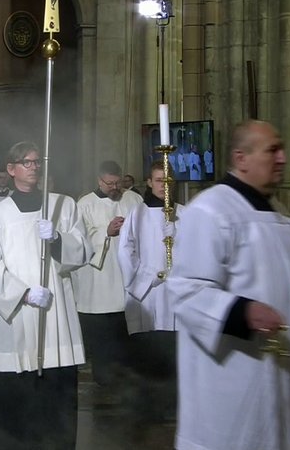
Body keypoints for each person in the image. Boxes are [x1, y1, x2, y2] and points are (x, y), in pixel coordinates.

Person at [167, 120, 290, 450]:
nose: (283, 158)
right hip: (238, 370)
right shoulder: (210, 209)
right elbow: (185, 290)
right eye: (273, 150)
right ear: (241, 158)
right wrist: (242, 310)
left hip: (286, 369)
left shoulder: (281, 213)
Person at [0, 141, 91, 450]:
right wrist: (24, 293)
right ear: (11, 170)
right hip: (16, 314)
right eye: (26, 162)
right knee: (14, 404)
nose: (33, 167)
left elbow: (83, 251)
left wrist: (57, 239)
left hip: (56, 315)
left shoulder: (63, 206)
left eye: (36, 162)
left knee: (56, 402)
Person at [116, 161, 181, 426]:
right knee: (147, 353)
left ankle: (171, 405)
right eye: (158, 180)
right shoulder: (136, 214)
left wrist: (180, 235)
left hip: (175, 295)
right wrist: (145, 278)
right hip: (147, 293)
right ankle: (147, 407)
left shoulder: (185, 215)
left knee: (173, 354)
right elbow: (124, 250)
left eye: (167, 181)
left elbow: (198, 252)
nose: (163, 186)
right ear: (149, 182)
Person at [71, 161, 143, 385]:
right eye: (109, 183)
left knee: (126, 328)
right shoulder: (85, 204)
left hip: (127, 275)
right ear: (99, 181)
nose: (114, 188)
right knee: (102, 332)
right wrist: (106, 231)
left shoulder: (133, 199)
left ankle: (126, 373)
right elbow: (78, 241)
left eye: (117, 183)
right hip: (99, 280)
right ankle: (103, 376)